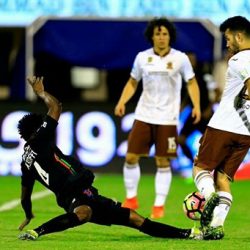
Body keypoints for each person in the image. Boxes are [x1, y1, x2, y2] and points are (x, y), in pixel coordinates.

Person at [17, 76, 202, 241]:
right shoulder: (40, 138)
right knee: (83, 213)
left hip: (83, 191)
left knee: (135, 219)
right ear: (35, 131)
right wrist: (41, 93)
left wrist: (27, 213)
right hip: (72, 191)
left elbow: (25, 194)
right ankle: (36, 232)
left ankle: (187, 234)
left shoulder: (25, 161)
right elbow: (56, 107)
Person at [114, 17, 201, 219]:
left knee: (163, 161)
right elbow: (132, 82)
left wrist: (196, 105)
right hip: (144, 114)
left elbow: (192, 83)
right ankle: (131, 197)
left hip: (168, 118)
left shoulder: (180, 58)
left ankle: (159, 205)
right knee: (130, 157)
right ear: (151, 36)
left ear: (170, 36)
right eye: (158, 34)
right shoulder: (142, 57)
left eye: (165, 34)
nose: (161, 37)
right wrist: (122, 101)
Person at [193, 16, 250, 240]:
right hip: (246, 132)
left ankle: (208, 197)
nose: (227, 44)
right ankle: (215, 226)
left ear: (238, 36)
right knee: (223, 178)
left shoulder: (240, 60)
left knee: (201, 169)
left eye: (227, 38)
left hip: (224, 124)